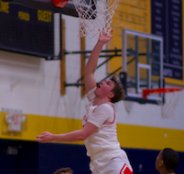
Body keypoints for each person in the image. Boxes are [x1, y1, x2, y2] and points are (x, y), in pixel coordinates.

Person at [36, 30, 133, 174]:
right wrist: (100, 43)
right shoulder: (94, 100)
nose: (102, 82)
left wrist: (53, 137)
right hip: (98, 162)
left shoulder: (106, 108)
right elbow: (89, 72)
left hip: (113, 162)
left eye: (107, 83)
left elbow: (82, 135)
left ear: (111, 94)